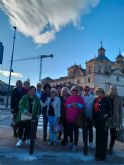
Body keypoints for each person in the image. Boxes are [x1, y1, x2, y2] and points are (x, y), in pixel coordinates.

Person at [65, 86, 85, 151]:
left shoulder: (80, 98)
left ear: (77, 91)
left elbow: (83, 106)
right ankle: (71, 142)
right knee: (70, 131)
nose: (74, 91)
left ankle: (75, 145)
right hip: (69, 118)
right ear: (71, 91)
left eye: (76, 90)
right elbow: (66, 105)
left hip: (77, 118)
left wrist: (77, 104)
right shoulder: (69, 98)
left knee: (76, 132)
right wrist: (71, 104)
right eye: (73, 90)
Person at [93, 87, 110, 161]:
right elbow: (93, 111)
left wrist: (107, 114)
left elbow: (110, 110)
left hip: (104, 122)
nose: (99, 93)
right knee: (98, 139)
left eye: (100, 92)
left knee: (104, 139)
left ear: (103, 93)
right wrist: (93, 121)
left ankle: (103, 156)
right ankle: (97, 154)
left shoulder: (106, 100)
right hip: (97, 122)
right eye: (98, 92)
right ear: (96, 93)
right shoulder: (95, 100)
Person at [107, 85, 122, 155]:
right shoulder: (106, 97)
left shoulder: (119, 98)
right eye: (112, 89)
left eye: (114, 89)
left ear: (116, 90)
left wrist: (120, 122)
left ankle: (111, 148)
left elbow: (120, 110)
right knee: (105, 134)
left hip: (115, 119)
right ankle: (104, 147)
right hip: (107, 119)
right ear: (109, 89)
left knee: (113, 134)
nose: (113, 90)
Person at [82, 86, 95, 154]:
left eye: (88, 90)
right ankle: (85, 143)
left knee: (90, 130)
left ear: (89, 90)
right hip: (84, 117)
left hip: (90, 116)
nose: (86, 91)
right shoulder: (81, 97)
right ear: (83, 90)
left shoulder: (92, 97)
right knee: (84, 131)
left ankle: (90, 142)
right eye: (85, 90)